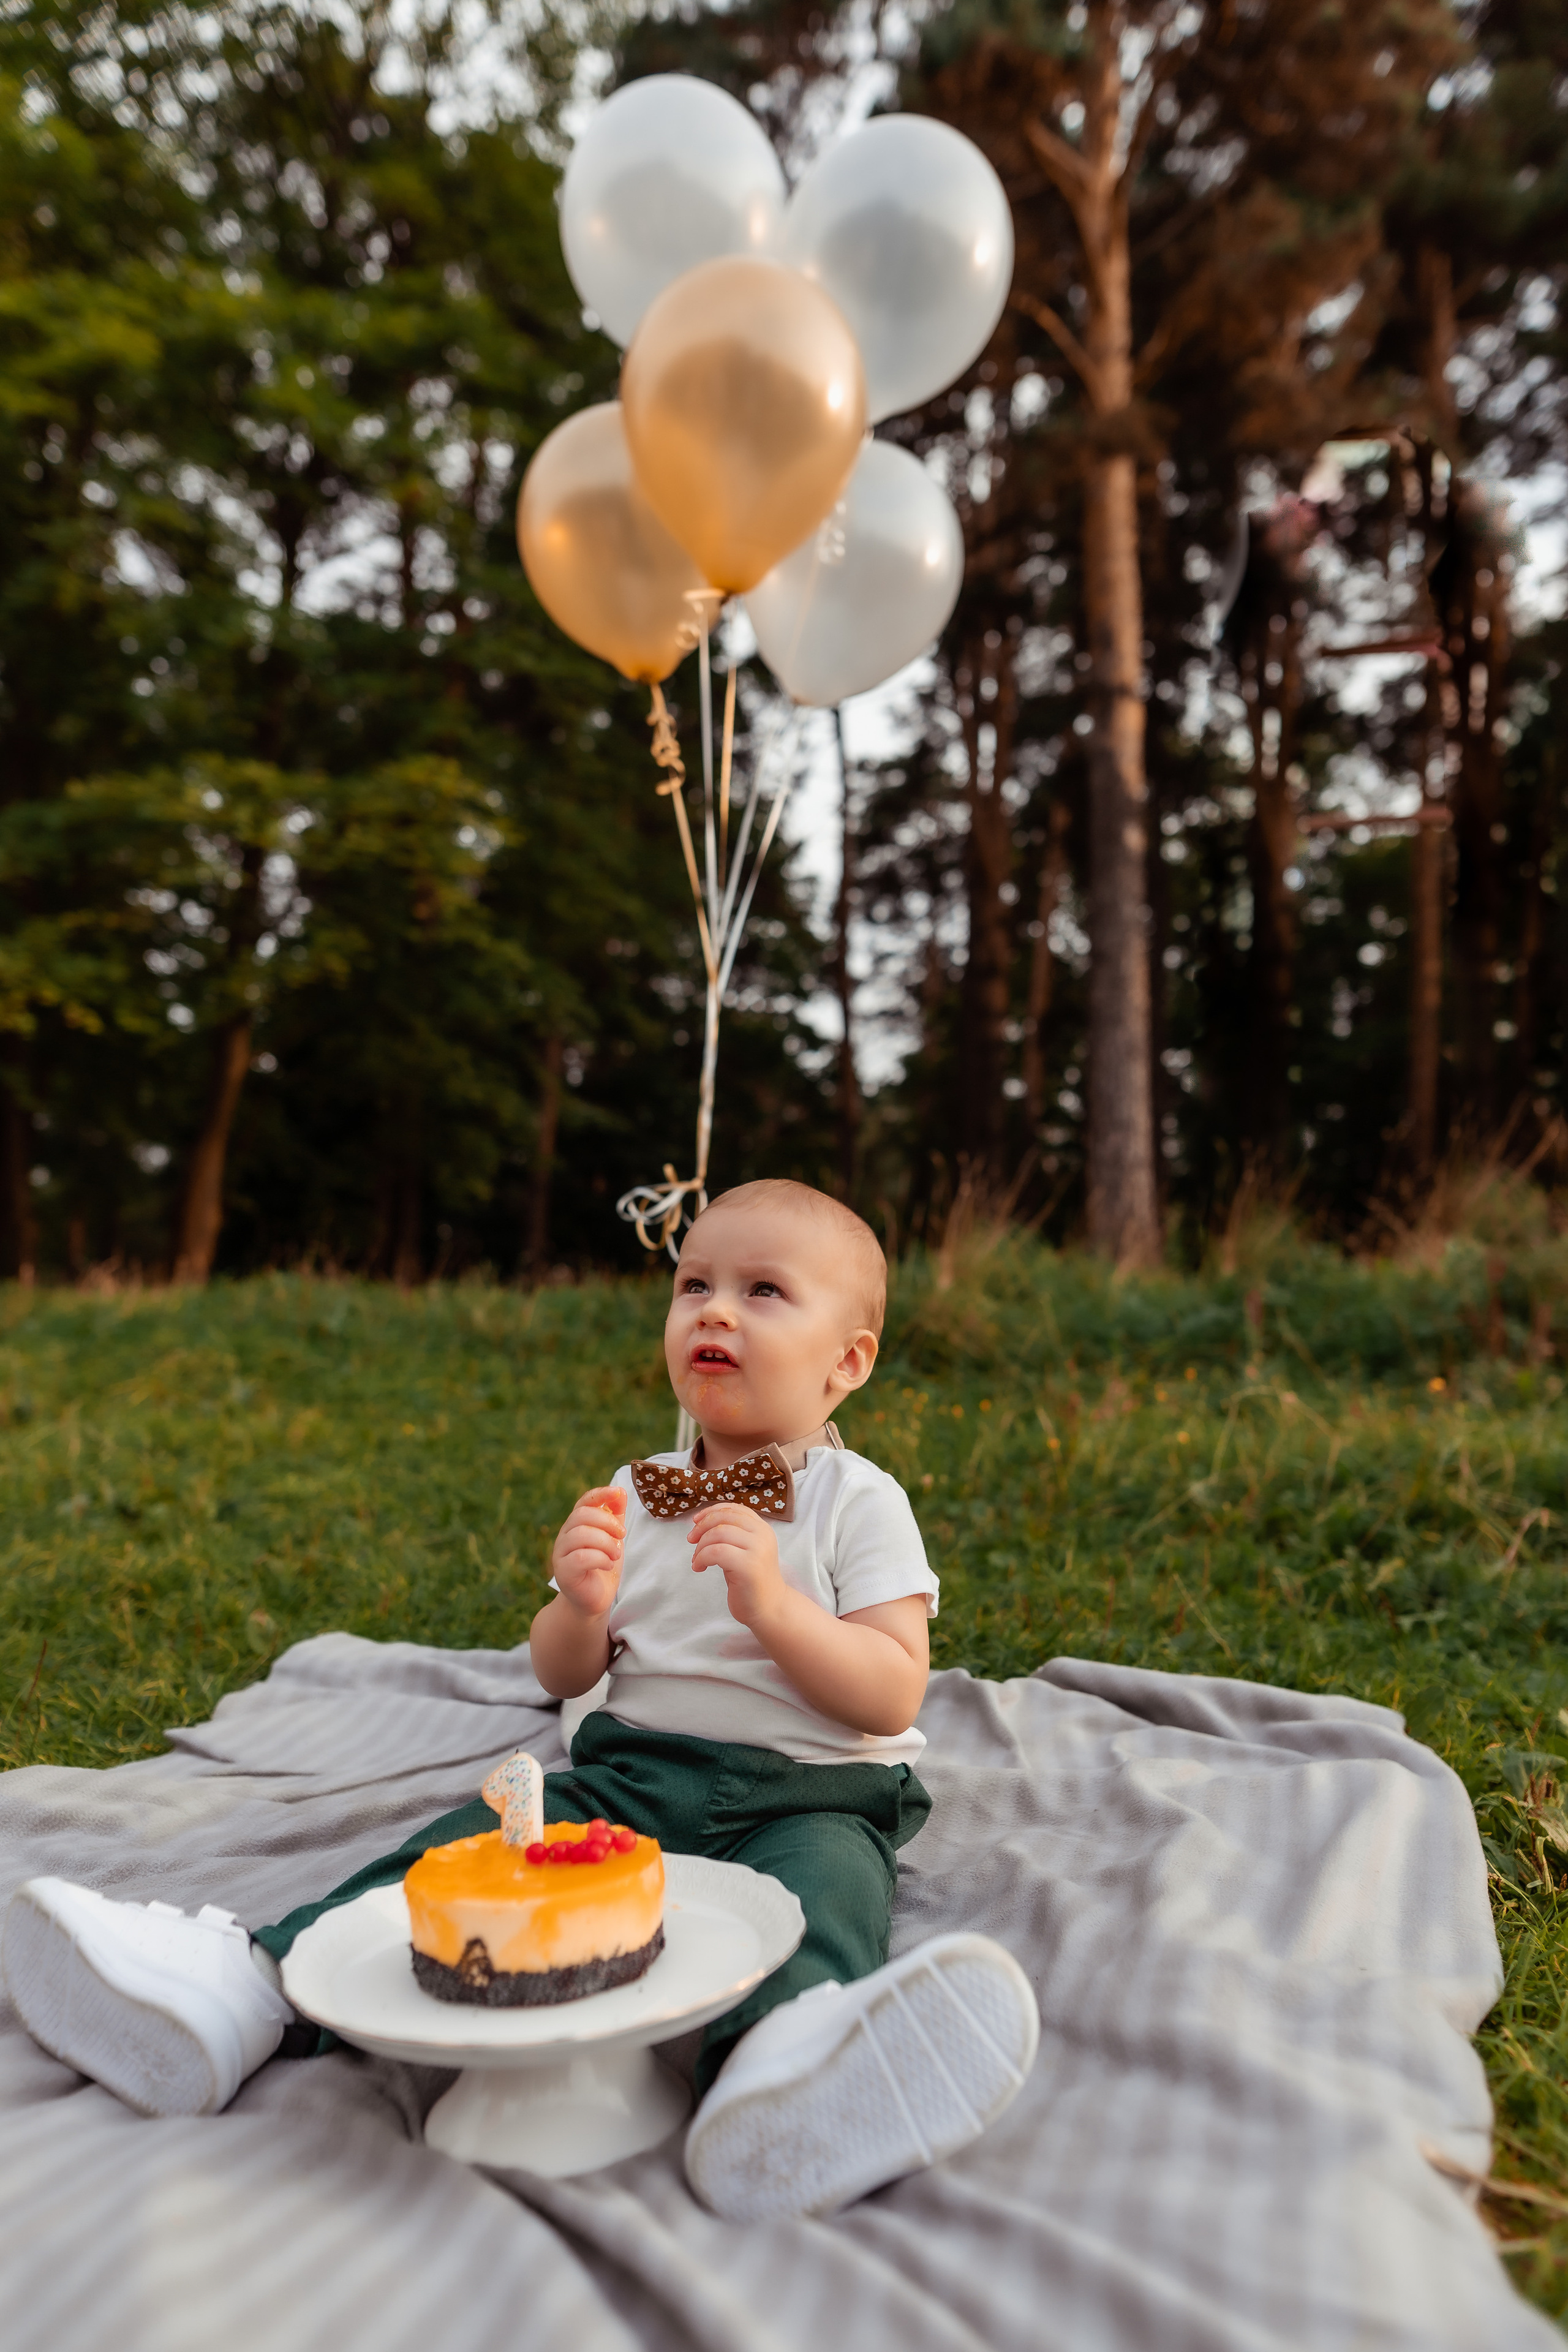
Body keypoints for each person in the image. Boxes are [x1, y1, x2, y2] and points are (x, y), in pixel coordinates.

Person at [3, 1180, 1038, 2220]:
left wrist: (775, 1608)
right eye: (694, 1286)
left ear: (847, 1362)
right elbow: (562, 1675)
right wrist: (582, 1606)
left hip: (813, 1788)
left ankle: (784, 2072)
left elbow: (892, 1685)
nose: (714, 1312)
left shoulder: (859, 1502)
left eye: (764, 1291)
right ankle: (242, 1991)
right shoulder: (636, 1493)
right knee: (468, 1855)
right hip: (640, 1771)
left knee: (827, 1902)